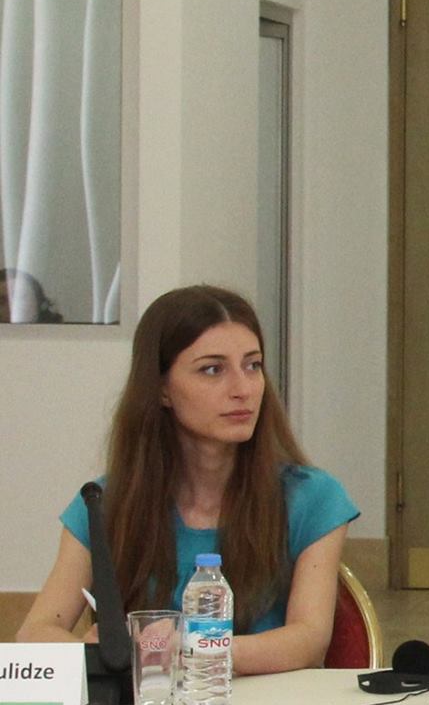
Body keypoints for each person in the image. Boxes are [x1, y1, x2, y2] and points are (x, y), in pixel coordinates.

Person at [16, 285, 359, 671]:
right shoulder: (103, 503)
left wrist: (188, 648)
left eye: (253, 366)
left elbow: (308, 640)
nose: (243, 389)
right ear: (161, 389)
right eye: (213, 369)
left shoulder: (312, 497)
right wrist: (95, 652)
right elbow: (35, 633)